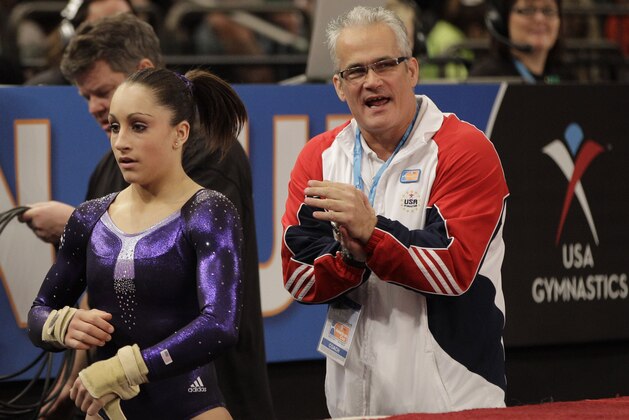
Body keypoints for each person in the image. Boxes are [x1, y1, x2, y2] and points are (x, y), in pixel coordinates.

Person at [20, 13, 275, 420]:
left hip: (197, 400)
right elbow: (43, 311)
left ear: (180, 133)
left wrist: (124, 369)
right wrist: (64, 327)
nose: (120, 141)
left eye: (137, 126)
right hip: (108, 405)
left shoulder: (208, 202)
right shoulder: (93, 213)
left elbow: (219, 323)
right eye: (115, 127)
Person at [281, 6, 509, 417]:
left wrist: (370, 233)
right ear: (338, 85)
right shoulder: (319, 157)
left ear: (412, 70)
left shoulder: (465, 150)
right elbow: (298, 276)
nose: (372, 81)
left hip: (455, 402)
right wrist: (350, 258)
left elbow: (452, 268)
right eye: (355, 71)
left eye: (385, 64)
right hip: (350, 404)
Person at [469, 0, 569, 83]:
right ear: (502, 21)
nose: (540, 18)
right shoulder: (486, 79)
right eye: (527, 10)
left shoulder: (567, 77)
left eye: (548, 10)